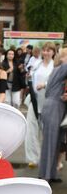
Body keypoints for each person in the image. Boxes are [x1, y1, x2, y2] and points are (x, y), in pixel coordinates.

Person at [39, 47, 67, 182]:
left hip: (58, 107)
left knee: (56, 142)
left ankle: (52, 173)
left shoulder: (58, 70)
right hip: (54, 107)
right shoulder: (61, 68)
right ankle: (45, 175)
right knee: (50, 142)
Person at [25, 43, 56, 168]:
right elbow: (31, 78)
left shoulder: (56, 66)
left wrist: (45, 84)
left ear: (53, 52)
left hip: (49, 102)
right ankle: (33, 158)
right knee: (31, 129)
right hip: (34, 100)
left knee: (47, 131)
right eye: (44, 50)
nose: (46, 53)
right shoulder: (37, 64)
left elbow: (58, 81)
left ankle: (49, 159)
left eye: (49, 50)